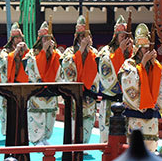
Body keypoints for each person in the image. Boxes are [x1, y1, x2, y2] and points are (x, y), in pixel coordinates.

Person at [119, 23, 162, 152]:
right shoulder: (129, 64)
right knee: (135, 149)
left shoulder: (155, 65)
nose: (146, 51)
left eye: (148, 48)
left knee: (151, 148)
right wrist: (142, 64)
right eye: (143, 48)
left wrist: (155, 66)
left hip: (151, 116)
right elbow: (128, 82)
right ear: (137, 48)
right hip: (136, 114)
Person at [61, 15, 99, 144]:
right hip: (75, 92)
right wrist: (81, 49)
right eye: (82, 36)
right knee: (75, 117)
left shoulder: (94, 52)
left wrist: (87, 51)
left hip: (89, 92)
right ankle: (74, 141)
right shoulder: (69, 51)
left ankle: (85, 142)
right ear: (77, 37)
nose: (85, 39)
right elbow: (66, 66)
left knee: (88, 118)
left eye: (86, 36)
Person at [25, 21, 62, 146]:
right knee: (37, 115)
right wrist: (43, 52)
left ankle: (45, 137)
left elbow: (59, 69)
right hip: (37, 91)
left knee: (49, 116)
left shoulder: (56, 54)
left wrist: (51, 53)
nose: (46, 41)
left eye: (49, 39)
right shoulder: (32, 54)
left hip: (51, 90)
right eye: (44, 39)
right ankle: (36, 139)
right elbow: (31, 69)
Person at [97, 15, 133, 143]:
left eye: (126, 36)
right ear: (115, 36)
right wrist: (120, 51)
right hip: (110, 100)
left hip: (126, 101)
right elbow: (107, 75)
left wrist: (130, 53)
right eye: (122, 35)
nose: (124, 38)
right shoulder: (105, 52)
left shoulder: (131, 52)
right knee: (108, 134)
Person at [0, 23, 28, 136]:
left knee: (21, 108)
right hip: (10, 82)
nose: (18, 40)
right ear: (12, 39)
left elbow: (31, 63)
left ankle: (21, 129)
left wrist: (25, 51)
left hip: (21, 83)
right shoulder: (5, 51)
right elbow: (3, 63)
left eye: (20, 37)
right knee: (7, 108)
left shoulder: (25, 49)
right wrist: (15, 53)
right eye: (16, 38)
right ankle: (8, 131)